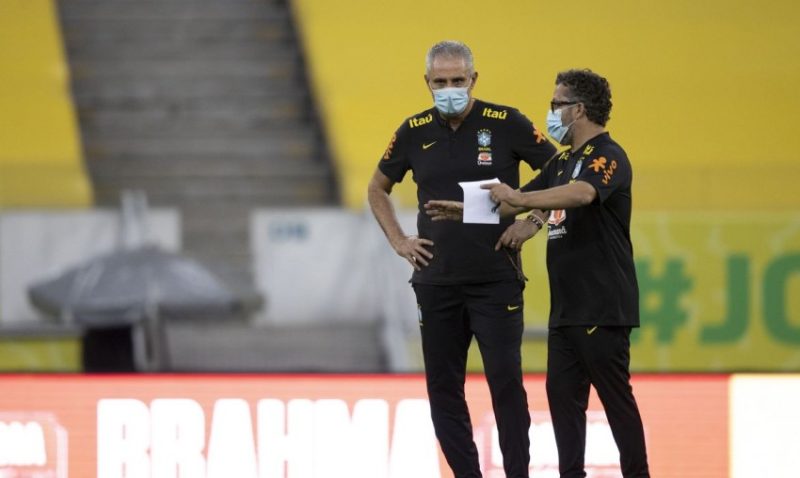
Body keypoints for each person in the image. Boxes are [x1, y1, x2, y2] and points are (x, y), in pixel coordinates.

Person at [427, 69, 650, 477]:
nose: (550, 113)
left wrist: (524, 199)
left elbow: (581, 194)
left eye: (556, 105)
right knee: (565, 408)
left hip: (602, 305)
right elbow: (516, 204)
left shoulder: (608, 155)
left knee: (616, 402)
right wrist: (464, 210)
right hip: (565, 310)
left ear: (578, 109)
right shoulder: (563, 161)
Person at [367, 40, 557, 478]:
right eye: (440, 82)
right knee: (443, 393)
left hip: (496, 278)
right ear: (427, 83)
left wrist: (534, 219)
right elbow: (377, 187)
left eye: (457, 80)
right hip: (435, 282)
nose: (449, 88)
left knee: (506, 388)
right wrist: (399, 240)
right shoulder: (413, 130)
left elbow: (559, 170)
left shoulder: (506, 122)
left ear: (474, 80)